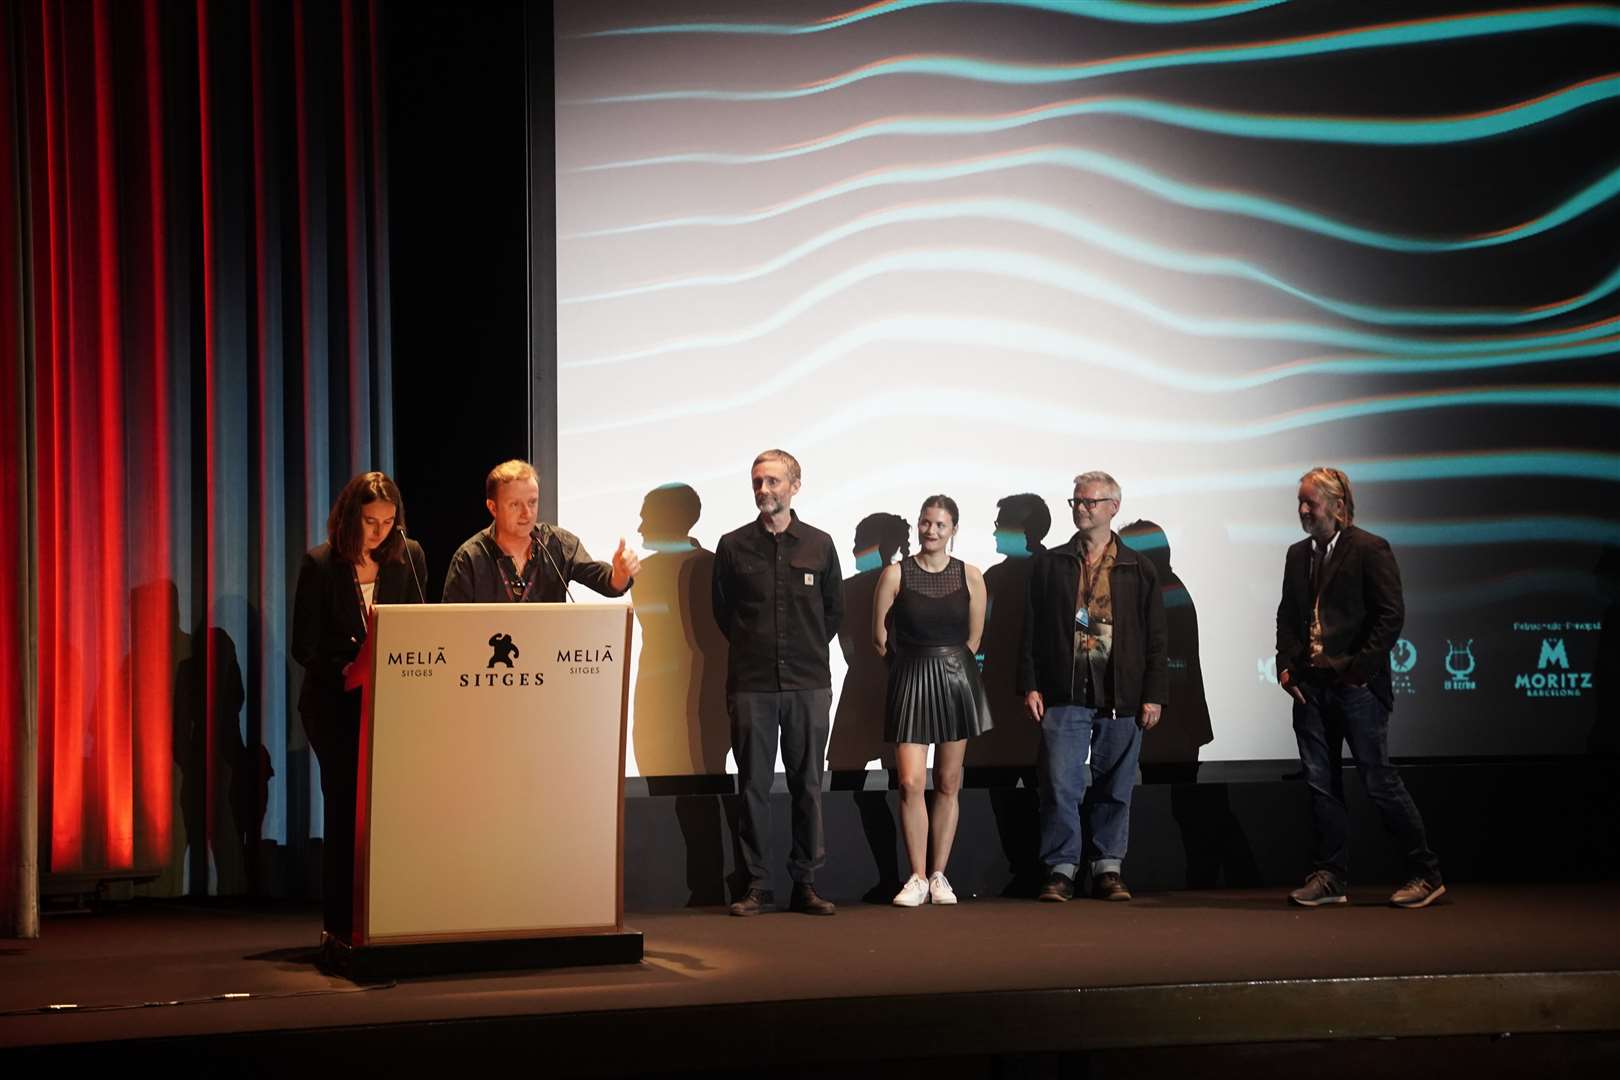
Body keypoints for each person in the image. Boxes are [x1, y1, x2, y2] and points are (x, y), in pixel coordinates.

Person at [1276, 467, 1445, 908]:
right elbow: (1287, 616)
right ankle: (1330, 875)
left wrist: (1356, 670)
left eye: (1310, 502)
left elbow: (1390, 616)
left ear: (1337, 505)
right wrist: (1285, 668)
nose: (1302, 510)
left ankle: (1425, 873)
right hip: (1310, 688)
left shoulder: (1370, 549)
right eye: (1301, 501)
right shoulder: (1298, 555)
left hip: (1357, 688)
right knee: (1320, 783)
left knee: (1378, 780)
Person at [291, 471, 427, 947]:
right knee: (346, 807)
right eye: (371, 522)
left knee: (392, 812)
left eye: (389, 522)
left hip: (389, 703)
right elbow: (303, 647)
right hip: (334, 704)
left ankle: (389, 918)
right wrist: (349, 668)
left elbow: (418, 630)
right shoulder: (321, 564)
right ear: (351, 517)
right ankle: (340, 926)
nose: (380, 532)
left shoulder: (407, 558)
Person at [1019, 471, 1166, 902]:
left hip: (1121, 691)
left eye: (1090, 503)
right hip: (1064, 691)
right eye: (1076, 502)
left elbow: (1156, 636)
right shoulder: (1052, 563)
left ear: (1112, 508)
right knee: (1060, 783)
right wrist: (1029, 683)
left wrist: (1154, 692)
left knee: (1116, 785)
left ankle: (1108, 868)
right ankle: (1061, 868)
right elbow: (1032, 628)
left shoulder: (1138, 567)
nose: (1081, 509)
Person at [712, 449, 843, 916]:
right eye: (757, 482)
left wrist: (801, 650)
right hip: (751, 684)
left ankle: (805, 883)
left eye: (772, 482)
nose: (763, 490)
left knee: (807, 785)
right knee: (753, 786)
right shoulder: (732, 546)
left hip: (808, 682)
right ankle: (756, 885)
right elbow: (724, 613)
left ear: (794, 485)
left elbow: (833, 613)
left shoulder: (820, 545)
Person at [872, 495, 992, 906]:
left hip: (956, 679)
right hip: (910, 677)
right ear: (917, 526)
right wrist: (910, 669)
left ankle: (939, 875)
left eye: (940, 524)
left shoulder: (971, 576)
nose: (932, 531)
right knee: (910, 782)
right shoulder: (895, 574)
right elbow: (879, 638)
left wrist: (950, 667)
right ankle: (917, 876)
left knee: (948, 781)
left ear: (954, 529)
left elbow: (975, 639)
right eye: (926, 523)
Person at [441, 459, 638, 603]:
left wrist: (620, 575)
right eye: (515, 505)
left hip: (548, 655)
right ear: (493, 507)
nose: (527, 513)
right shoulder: (470, 557)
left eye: (532, 502)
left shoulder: (558, 543)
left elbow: (605, 583)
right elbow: (452, 625)